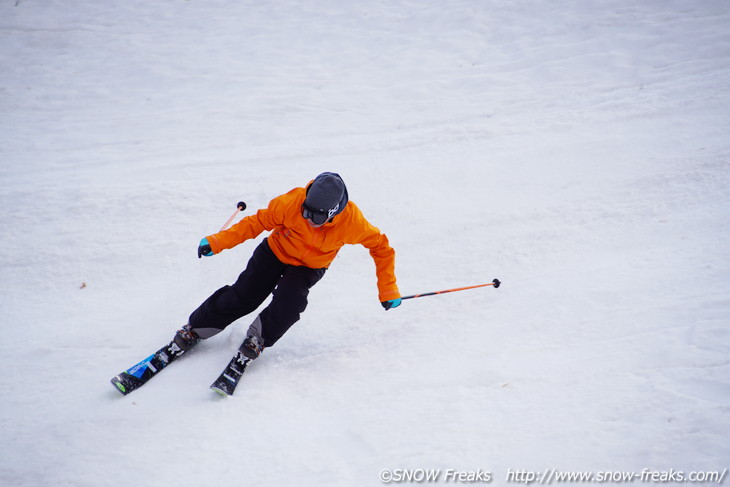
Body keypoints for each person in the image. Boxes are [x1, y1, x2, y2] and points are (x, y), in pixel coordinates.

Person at [170, 172, 402, 360]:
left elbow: (381, 247)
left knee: (290, 303)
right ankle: (196, 328)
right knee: (245, 294)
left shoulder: (353, 223)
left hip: (309, 267)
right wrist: (218, 241)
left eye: (317, 218)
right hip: (275, 252)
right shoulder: (291, 203)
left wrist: (388, 289)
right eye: (306, 212)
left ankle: (258, 338)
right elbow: (255, 223)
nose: (309, 220)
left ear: (333, 213)